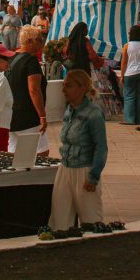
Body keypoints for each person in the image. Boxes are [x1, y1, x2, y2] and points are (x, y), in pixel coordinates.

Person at [44, 69, 108, 237]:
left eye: (68, 86)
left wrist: (93, 175)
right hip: (65, 167)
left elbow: (101, 147)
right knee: (60, 216)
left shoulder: (93, 113)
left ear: (81, 88)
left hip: (84, 169)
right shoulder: (69, 110)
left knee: (90, 218)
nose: (63, 90)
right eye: (64, 85)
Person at [8, 25, 49, 155]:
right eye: (39, 39)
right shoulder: (31, 61)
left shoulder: (11, 58)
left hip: (11, 113)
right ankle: (35, 175)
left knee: (13, 152)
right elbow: (34, 90)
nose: (42, 43)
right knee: (41, 153)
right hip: (28, 114)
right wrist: (42, 115)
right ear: (30, 41)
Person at [120, 24, 140, 125]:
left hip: (130, 73)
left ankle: (129, 119)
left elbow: (124, 62)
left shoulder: (127, 45)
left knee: (129, 96)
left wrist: (122, 75)